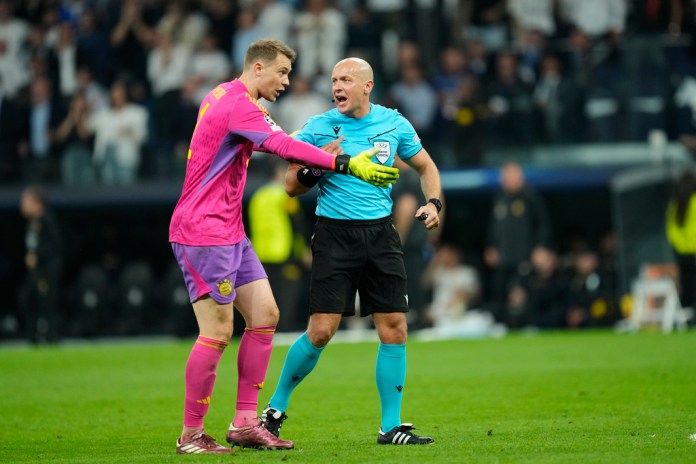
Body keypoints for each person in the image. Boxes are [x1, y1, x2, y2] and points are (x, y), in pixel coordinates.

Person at [168, 40, 399, 455]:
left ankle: (243, 423)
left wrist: (315, 154)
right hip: (202, 231)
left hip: (229, 230)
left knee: (265, 315)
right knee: (218, 330)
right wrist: (344, 163)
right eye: (282, 73)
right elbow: (280, 146)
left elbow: (275, 140)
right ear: (258, 67)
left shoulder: (224, 95)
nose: (286, 82)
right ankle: (191, 434)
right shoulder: (240, 105)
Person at [261, 57, 440, 446]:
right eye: (334, 80)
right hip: (334, 236)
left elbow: (427, 167)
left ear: (367, 86)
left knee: (394, 328)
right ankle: (273, 411)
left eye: (345, 79)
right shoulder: (318, 126)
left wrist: (434, 203)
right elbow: (292, 184)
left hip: (381, 235)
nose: (337, 86)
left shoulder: (394, 123)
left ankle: (390, 427)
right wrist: (324, 164)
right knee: (322, 330)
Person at [484, 162, 550, 326]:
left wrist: (541, 247)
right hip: (504, 259)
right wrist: (491, 247)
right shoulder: (499, 200)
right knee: (501, 291)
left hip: (525, 257)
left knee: (525, 292)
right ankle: (503, 324)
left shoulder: (530, 197)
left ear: (521, 178)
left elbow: (543, 224)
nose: (510, 181)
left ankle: (530, 324)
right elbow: (493, 228)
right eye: (506, 177)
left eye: (514, 176)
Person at [18, 185, 63, 344]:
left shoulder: (47, 220)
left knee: (47, 304)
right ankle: (34, 335)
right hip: (36, 271)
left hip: (47, 270)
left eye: (26, 200)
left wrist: (37, 255)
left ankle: (50, 337)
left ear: (37, 203)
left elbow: (55, 245)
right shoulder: (32, 223)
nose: (22, 204)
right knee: (28, 299)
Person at [665, 171, 696, 311]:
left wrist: (679, 246)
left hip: (681, 253)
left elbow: (671, 230)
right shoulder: (694, 201)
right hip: (693, 250)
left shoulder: (675, 204)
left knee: (686, 283)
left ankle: (686, 311)